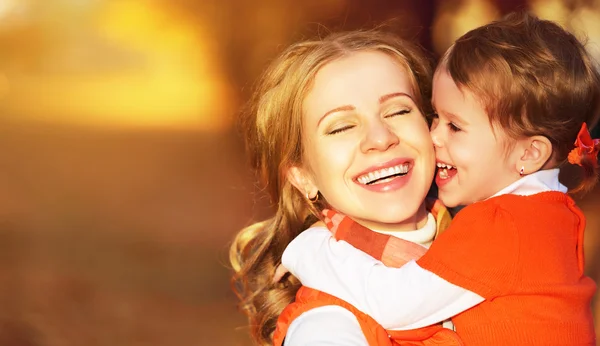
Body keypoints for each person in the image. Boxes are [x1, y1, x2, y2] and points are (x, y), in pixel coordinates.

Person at [280, 12, 599, 345]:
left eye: (455, 126)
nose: (435, 137)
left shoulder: (505, 223)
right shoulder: (547, 216)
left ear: (529, 154)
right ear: (301, 176)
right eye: (434, 117)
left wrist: (311, 251)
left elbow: (395, 304)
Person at [229, 29, 463, 346]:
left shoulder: (499, 231)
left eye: (398, 110)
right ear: (302, 177)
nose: (381, 138)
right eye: (341, 127)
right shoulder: (326, 328)